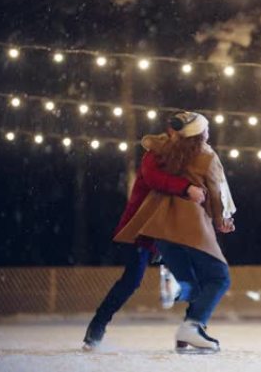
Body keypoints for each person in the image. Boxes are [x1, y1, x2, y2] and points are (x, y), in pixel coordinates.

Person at [115, 111, 236, 354]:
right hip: (189, 225)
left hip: (162, 230)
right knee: (219, 277)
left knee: (195, 281)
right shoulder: (206, 155)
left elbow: (149, 146)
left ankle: (188, 332)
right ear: (201, 133)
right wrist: (222, 219)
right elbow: (215, 191)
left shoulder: (164, 152)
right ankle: (192, 326)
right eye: (206, 129)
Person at [82, 139, 207, 351]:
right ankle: (97, 326)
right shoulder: (155, 156)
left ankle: (189, 333)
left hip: (167, 233)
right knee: (132, 279)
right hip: (139, 231)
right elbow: (155, 179)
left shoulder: (187, 166)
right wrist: (186, 188)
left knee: (196, 275)